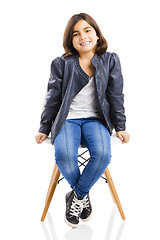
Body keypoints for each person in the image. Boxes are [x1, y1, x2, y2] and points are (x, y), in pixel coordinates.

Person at [35, 13, 129, 228]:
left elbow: (116, 95)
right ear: (70, 40)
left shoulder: (110, 60)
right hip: (68, 120)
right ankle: (83, 197)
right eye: (75, 34)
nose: (82, 37)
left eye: (87, 30)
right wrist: (43, 127)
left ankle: (76, 196)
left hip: (97, 120)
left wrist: (121, 126)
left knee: (103, 154)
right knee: (64, 156)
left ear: (97, 34)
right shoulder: (61, 63)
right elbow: (53, 97)